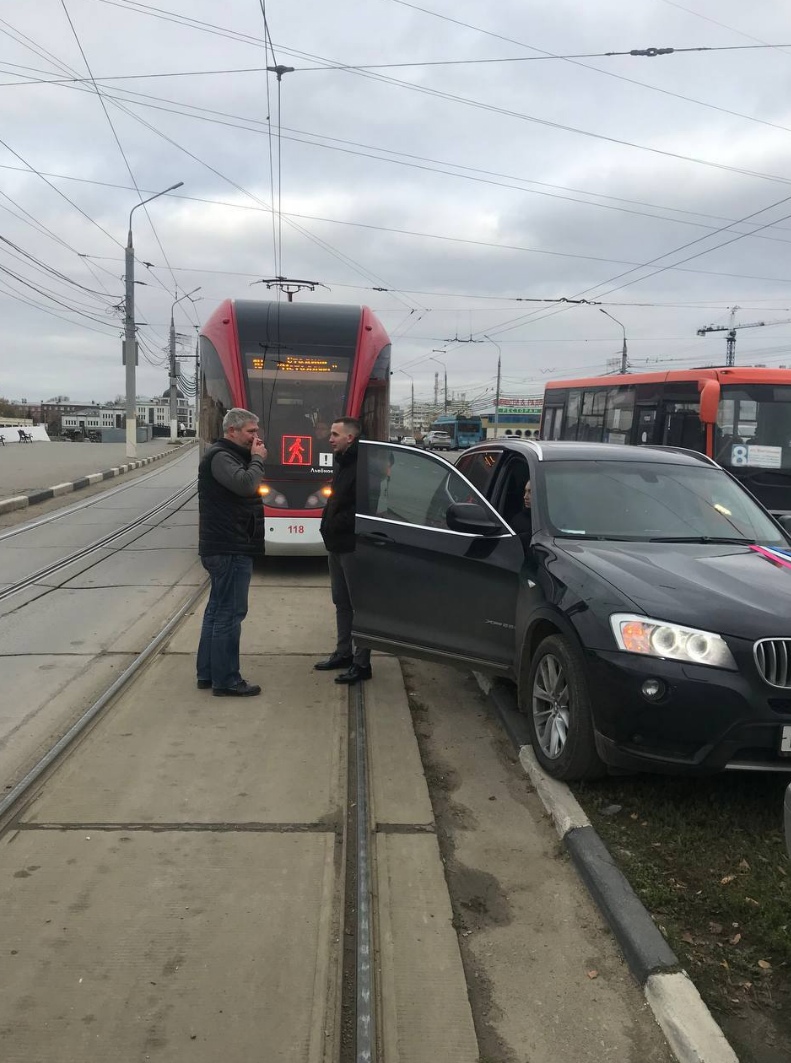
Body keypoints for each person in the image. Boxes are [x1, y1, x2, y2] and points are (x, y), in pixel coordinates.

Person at [196, 408, 267, 697]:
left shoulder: (228, 455)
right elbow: (247, 485)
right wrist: (259, 460)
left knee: (216, 611)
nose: (255, 437)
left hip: (226, 544)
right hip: (229, 546)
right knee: (230, 613)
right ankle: (226, 680)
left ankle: (208, 674)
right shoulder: (221, 456)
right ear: (232, 431)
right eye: (250, 431)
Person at [314, 417, 372, 685]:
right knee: (341, 602)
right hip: (336, 543)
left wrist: (333, 524)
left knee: (359, 604)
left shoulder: (363, 464)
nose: (330, 438)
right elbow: (336, 499)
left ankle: (362, 664)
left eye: (336, 434)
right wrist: (326, 524)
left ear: (350, 437)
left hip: (353, 545)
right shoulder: (343, 462)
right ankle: (343, 653)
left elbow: (361, 508)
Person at [510, 480, 533, 546]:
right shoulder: (517, 521)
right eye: (525, 491)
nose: (525, 497)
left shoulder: (552, 519)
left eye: (530, 492)